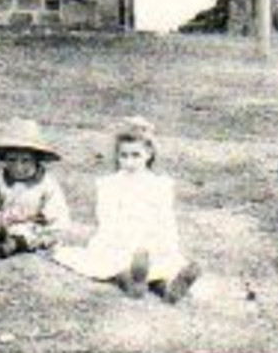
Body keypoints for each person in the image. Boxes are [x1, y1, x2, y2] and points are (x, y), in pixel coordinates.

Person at [52, 118, 200, 303]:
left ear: (149, 154)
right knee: (115, 266)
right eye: (124, 156)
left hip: (149, 241)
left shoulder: (160, 185)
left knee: (159, 268)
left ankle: (169, 291)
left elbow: (165, 219)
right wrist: (116, 240)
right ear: (117, 156)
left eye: (136, 155)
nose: (129, 162)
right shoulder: (110, 185)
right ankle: (132, 283)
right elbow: (107, 218)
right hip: (119, 238)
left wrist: (167, 245)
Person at [0, 119, 71, 257]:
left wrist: (47, 235)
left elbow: (58, 219)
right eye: (12, 160)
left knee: (28, 233)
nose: (18, 167)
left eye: (25, 161)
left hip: (32, 228)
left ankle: (11, 246)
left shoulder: (47, 184)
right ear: (4, 159)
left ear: (36, 159)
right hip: (1, 225)